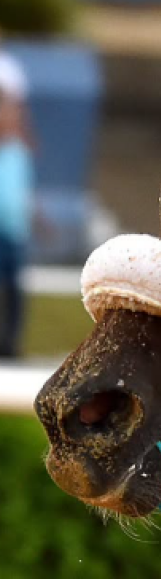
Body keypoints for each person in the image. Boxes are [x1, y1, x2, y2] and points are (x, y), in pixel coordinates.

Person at [0, 46, 33, 358]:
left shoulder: (18, 153)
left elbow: (20, 192)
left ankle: (10, 344)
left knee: (14, 289)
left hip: (14, 231)